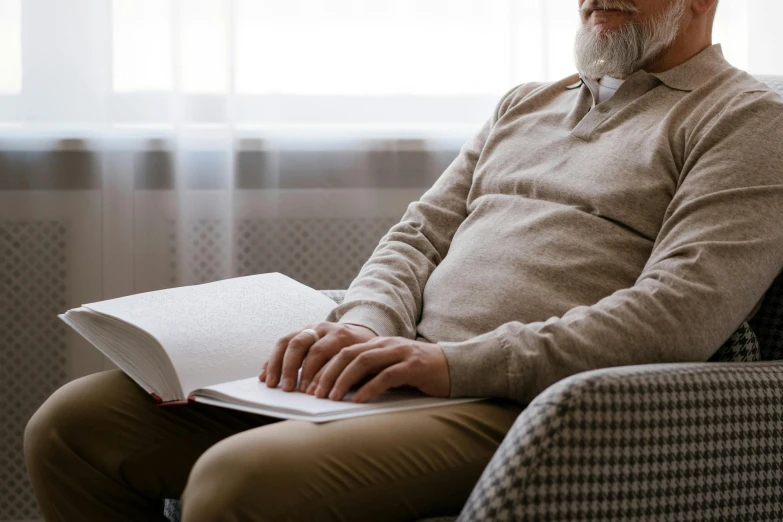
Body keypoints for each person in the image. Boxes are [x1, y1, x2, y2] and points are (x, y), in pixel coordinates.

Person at [25, 0, 783, 520]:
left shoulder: (743, 120)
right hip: (402, 374)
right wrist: (362, 326)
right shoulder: (526, 102)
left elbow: (679, 316)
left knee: (241, 481)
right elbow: (417, 236)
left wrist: (450, 365)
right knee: (75, 425)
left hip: (522, 407)